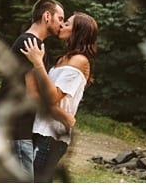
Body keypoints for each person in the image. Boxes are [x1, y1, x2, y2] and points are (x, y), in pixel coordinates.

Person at [21, 12, 98, 182]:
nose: (62, 25)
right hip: (41, 128)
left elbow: (53, 96)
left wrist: (38, 63)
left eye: (67, 24)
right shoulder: (63, 59)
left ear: (79, 32)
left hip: (52, 134)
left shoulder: (79, 60)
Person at [0, 0, 64, 176]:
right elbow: (33, 95)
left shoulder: (31, 42)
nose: (62, 24)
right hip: (18, 129)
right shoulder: (32, 44)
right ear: (47, 16)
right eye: (60, 18)